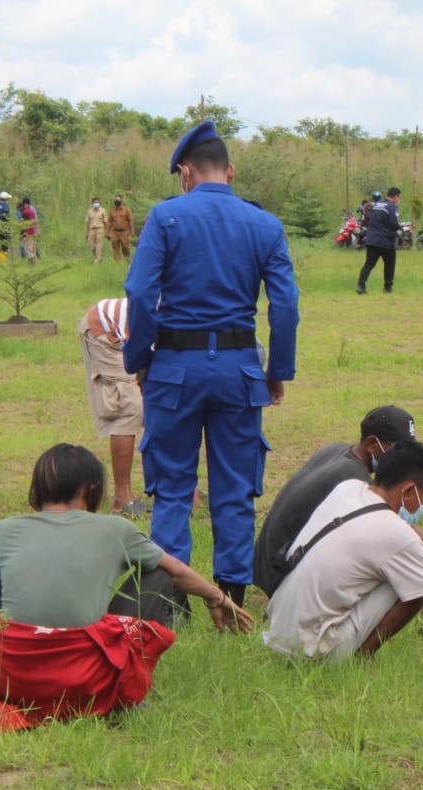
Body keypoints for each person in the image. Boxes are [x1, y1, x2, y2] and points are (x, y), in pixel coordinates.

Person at [123, 120, 301, 607]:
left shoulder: (165, 217)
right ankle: (232, 598)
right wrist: (276, 371)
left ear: (185, 173)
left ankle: (167, 602)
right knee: (235, 486)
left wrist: (139, 360)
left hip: (174, 370)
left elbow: (140, 293)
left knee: (174, 489)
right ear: (231, 170)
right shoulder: (265, 224)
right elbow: (285, 305)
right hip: (239, 372)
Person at [0, 444, 254, 731]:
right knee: (158, 573)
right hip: (87, 681)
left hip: (14, 682)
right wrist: (217, 598)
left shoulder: (3, 530)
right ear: (91, 489)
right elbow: (176, 570)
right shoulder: (116, 529)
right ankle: (124, 689)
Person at [263, 440, 423, 660]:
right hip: (309, 652)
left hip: (277, 635)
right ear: (409, 491)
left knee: (411, 572)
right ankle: (355, 660)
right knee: (416, 584)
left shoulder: (348, 488)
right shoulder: (398, 537)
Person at [253, 405, 416, 597]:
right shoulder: (355, 482)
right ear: (372, 444)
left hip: (264, 563)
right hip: (280, 573)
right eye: (398, 450)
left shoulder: (336, 450)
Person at [77, 297, 144, 517]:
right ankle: (121, 498)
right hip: (106, 329)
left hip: (134, 332)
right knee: (129, 406)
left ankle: (169, 488)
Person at [356, 187, 401, 295]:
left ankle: (361, 285)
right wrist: (399, 232)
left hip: (372, 240)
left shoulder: (376, 205)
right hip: (385, 241)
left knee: (368, 264)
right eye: (399, 197)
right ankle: (387, 288)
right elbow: (394, 224)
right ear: (395, 197)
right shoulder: (391, 206)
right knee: (389, 264)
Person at [108, 194, 135, 263]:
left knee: (125, 247)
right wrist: (107, 233)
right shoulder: (112, 211)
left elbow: (131, 220)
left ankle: (128, 259)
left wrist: (132, 231)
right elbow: (109, 222)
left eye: (118, 200)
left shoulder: (126, 209)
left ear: (121, 200)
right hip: (115, 232)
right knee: (115, 247)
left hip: (125, 231)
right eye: (115, 200)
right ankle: (118, 262)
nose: (116, 201)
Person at [85, 197, 108, 264]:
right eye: (95, 202)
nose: (96, 204)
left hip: (100, 229)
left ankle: (97, 261)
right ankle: (98, 258)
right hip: (92, 229)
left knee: (99, 245)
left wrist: (107, 231)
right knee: (92, 246)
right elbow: (87, 222)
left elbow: (106, 222)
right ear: (92, 203)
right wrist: (87, 232)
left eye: (97, 202)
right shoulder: (89, 211)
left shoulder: (103, 210)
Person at [18, 197, 38, 263]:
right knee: (33, 249)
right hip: (33, 231)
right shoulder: (32, 211)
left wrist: (21, 234)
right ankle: (34, 263)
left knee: (28, 249)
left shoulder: (25, 212)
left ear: (25, 204)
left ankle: (31, 264)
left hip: (28, 232)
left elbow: (24, 224)